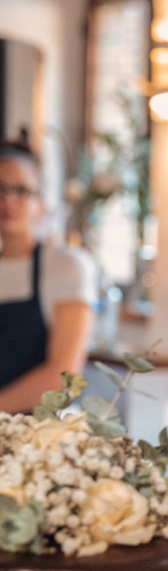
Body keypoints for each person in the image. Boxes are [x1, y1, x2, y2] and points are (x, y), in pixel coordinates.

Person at [0, 138, 95, 412]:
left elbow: (63, 377)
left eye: (21, 190)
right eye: (0, 189)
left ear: (41, 202)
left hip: (39, 438)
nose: (8, 200)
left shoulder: (67, 266)